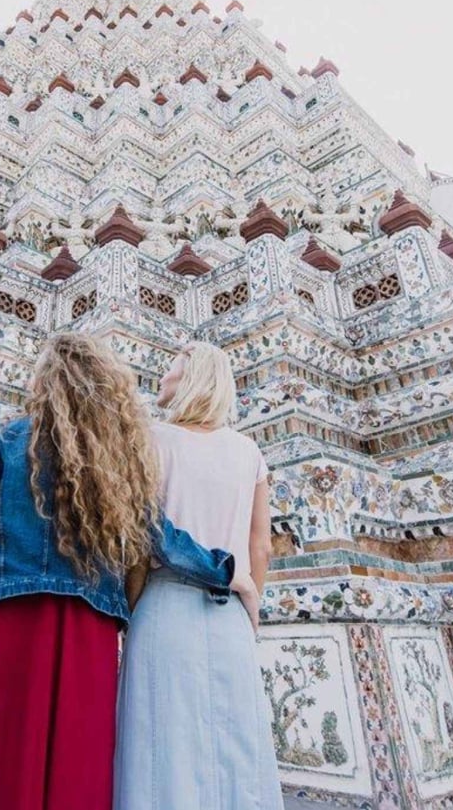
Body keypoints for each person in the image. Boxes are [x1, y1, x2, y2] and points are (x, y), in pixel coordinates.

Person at [0, 334, 232, 810]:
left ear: (46, 382)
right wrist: (220, 570)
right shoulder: (120, 454)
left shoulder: (9, 437)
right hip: (87, 624)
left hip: (4, 613)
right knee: (73, 762)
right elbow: (158, 538)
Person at [115, 341, 283, 810]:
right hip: (231, 614)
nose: (161, 378)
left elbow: (138, 541)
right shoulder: (249, 450)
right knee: (237, 756)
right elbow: (261, 545)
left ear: (190, 379)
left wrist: (131, 608)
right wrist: (252, 604)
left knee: (161, 755)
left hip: (164, 607)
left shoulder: (151, 440)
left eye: (170, 369)